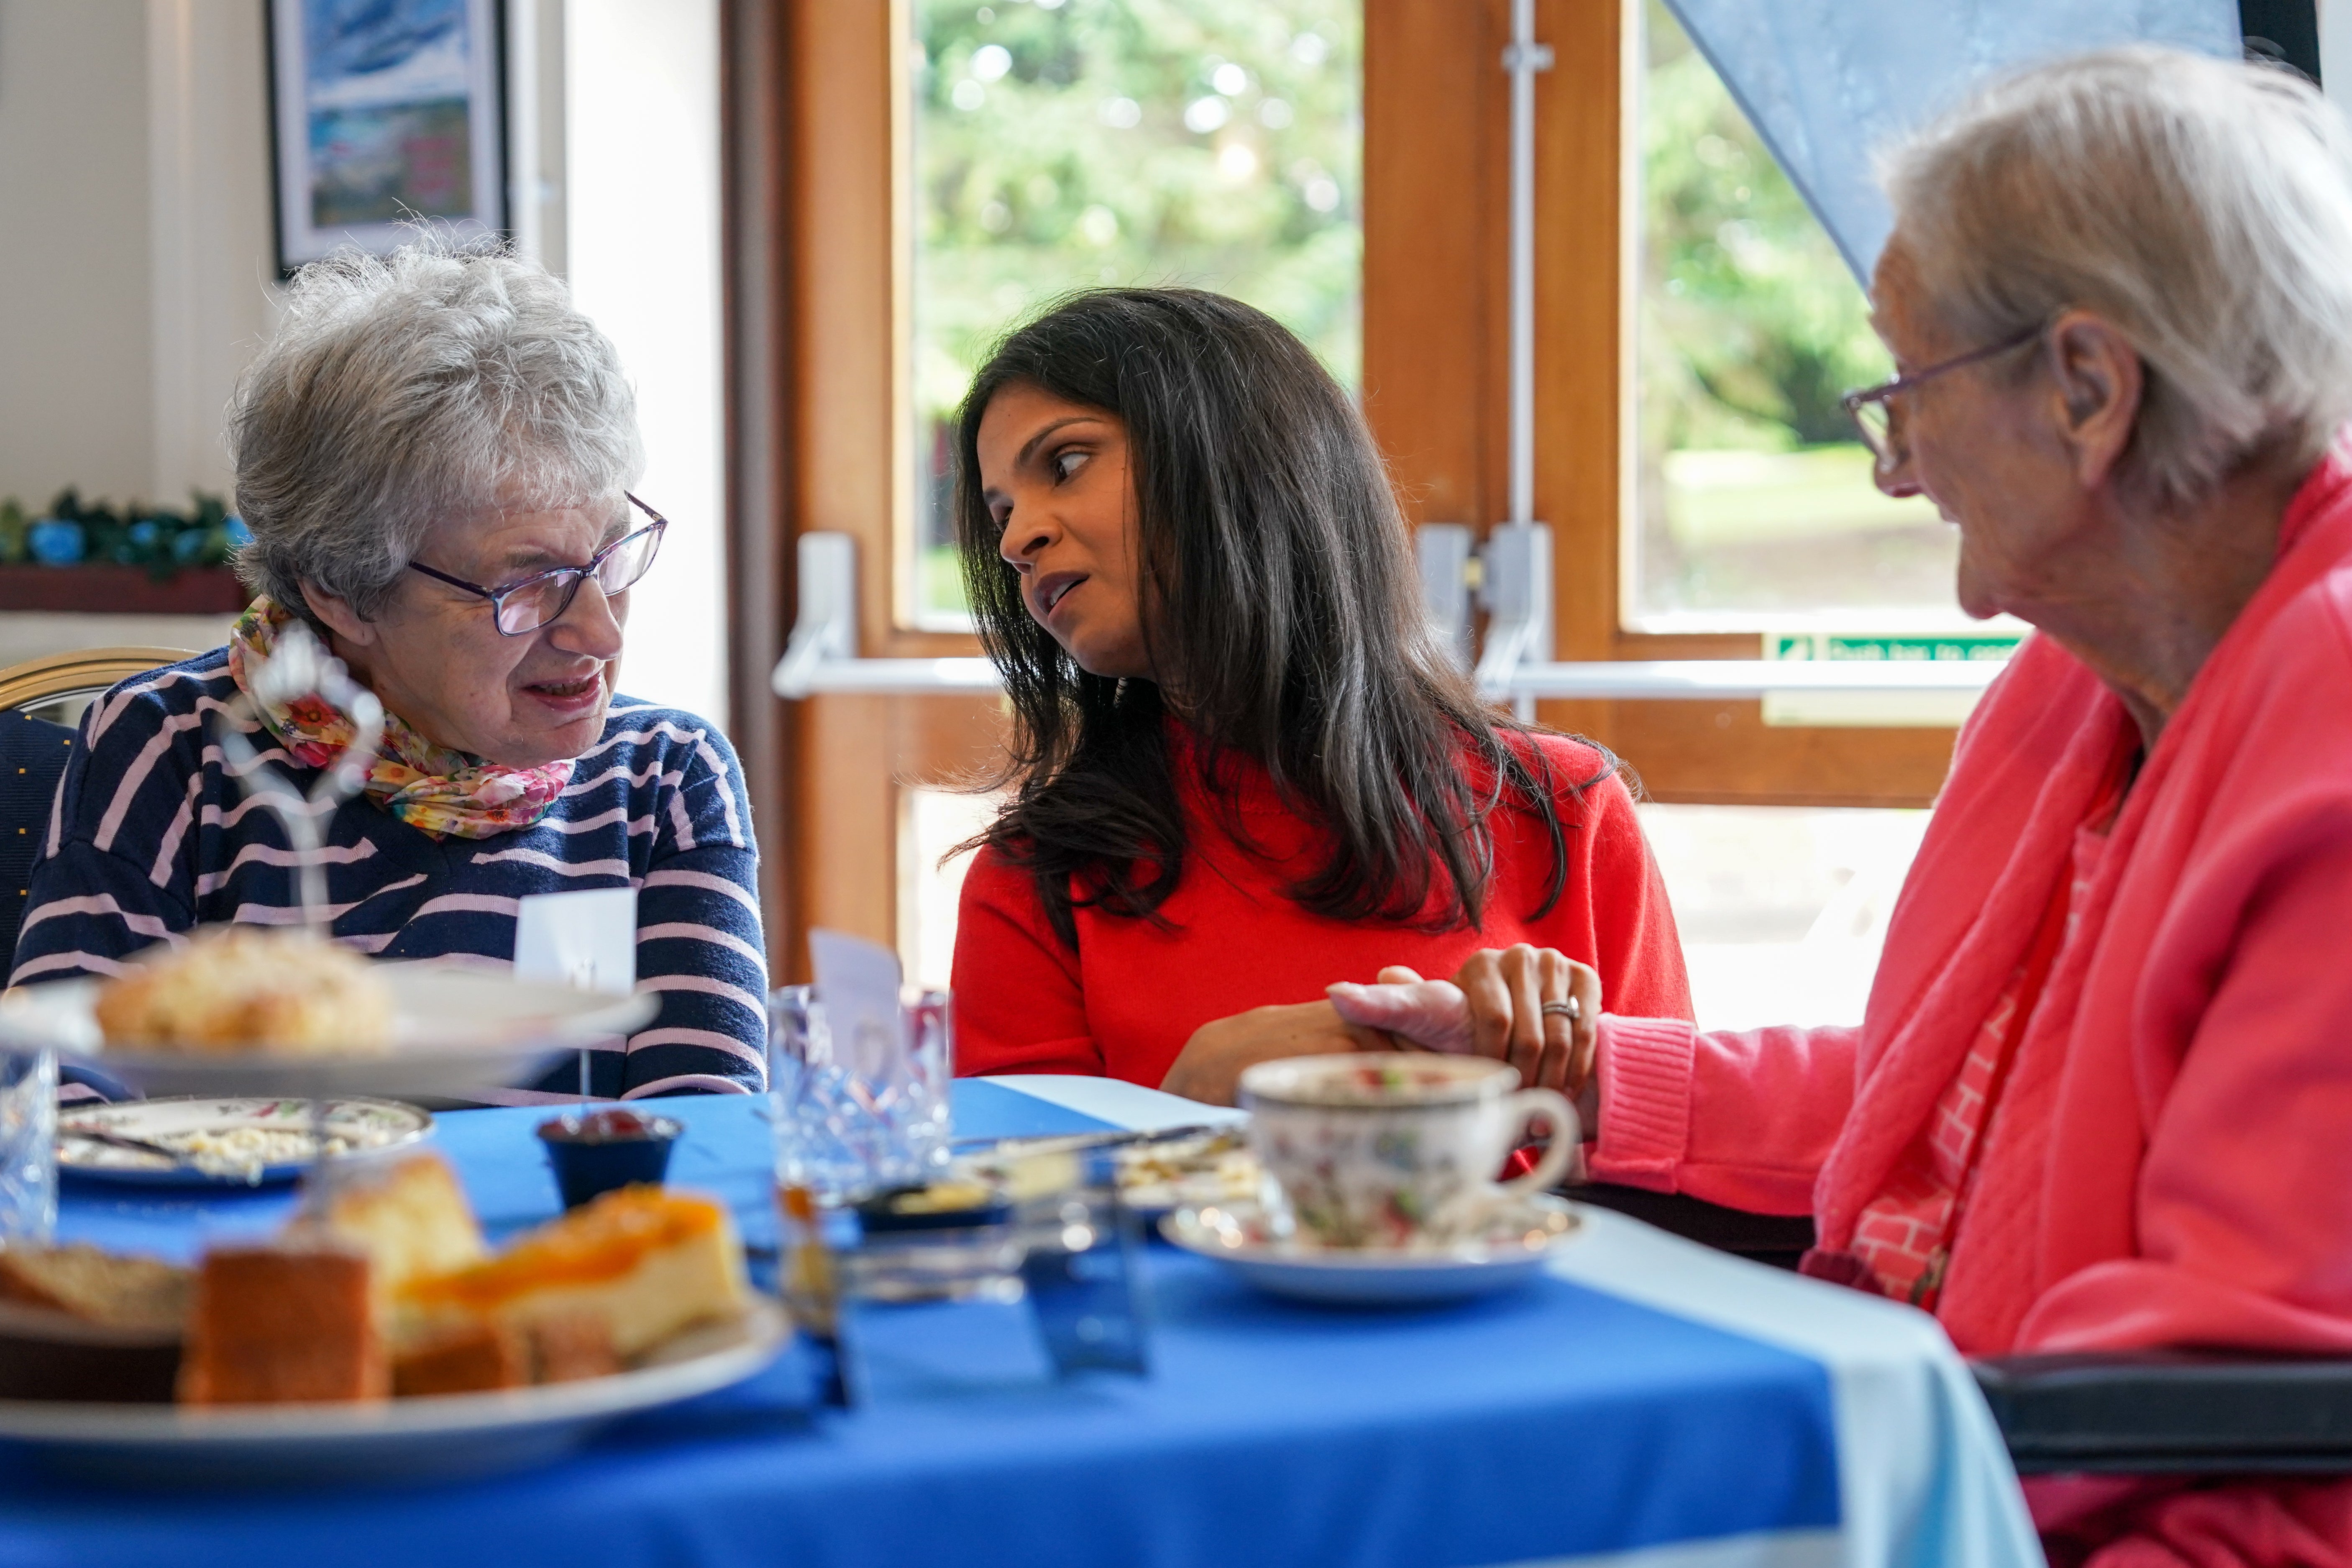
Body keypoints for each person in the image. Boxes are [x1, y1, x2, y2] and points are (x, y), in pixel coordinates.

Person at [1331, 47, 2352, 1566]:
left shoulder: (2324, 719)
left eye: (1906, 391)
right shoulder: (2071, 692)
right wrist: (1582, 1080)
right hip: (1920, 1450)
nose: (1893, 471)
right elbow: (1944, 1119)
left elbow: (2245, 1410)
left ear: (2085, 386)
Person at [10, 243, 765, 1100]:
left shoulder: (664, 778)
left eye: (609, 558)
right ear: (343, 589)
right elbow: (57, 1101)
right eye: (531, 583)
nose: (596, 632)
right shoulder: (174, 748)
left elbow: (705, 1137)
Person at [946, 287, 1691, 1105]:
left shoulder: (1566, 810)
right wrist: (1188, 1102)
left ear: (1240, 457)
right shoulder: (1031, 880)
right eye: (1002, 510)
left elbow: (1667, 1167)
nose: (1016, 541)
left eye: (1067, 463)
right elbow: (1019, 1212)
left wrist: (1553, 1086)